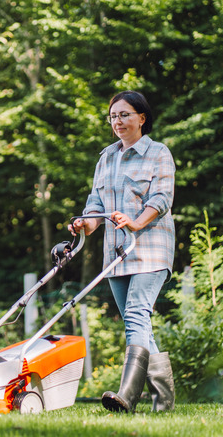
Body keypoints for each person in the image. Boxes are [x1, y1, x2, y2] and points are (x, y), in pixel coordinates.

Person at [70, 90, 176, 413]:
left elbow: (161, 199)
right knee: (139, 323)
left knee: (135, 315)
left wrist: (134, 222)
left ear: (141, 118)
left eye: (125, 114)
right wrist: (82, 225)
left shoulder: (158, 153)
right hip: (115, 256)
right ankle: (165, 401)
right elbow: (95, 206)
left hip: (151, 249)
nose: (118, 121)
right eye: (114, 116)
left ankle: (127, 397)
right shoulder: (106, 158)